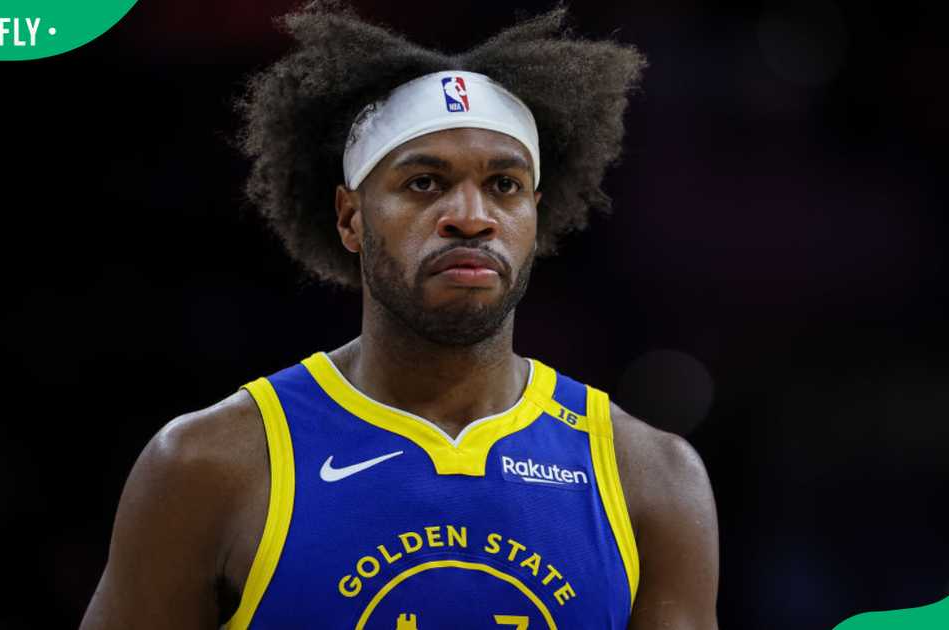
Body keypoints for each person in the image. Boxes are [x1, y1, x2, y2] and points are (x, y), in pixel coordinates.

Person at [81, 2, 719, 628]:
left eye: (504, 185)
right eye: (424, 183)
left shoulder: (650, 477)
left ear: (534, 216)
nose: (470, 215)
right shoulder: (208, 463)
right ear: (350, 217)